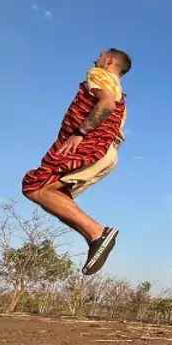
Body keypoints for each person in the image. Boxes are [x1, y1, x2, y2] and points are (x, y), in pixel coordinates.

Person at [22, 48, 131, 276]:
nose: (96, 59)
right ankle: (95, 239)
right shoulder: (119, 90)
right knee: (52, 195)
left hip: (91, 146)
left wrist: (80, 132)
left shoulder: (99, 75)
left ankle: (97, 232)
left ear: (109, 61)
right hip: (107, 153)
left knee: (34, 187)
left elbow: (106, 104)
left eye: (100, 56)